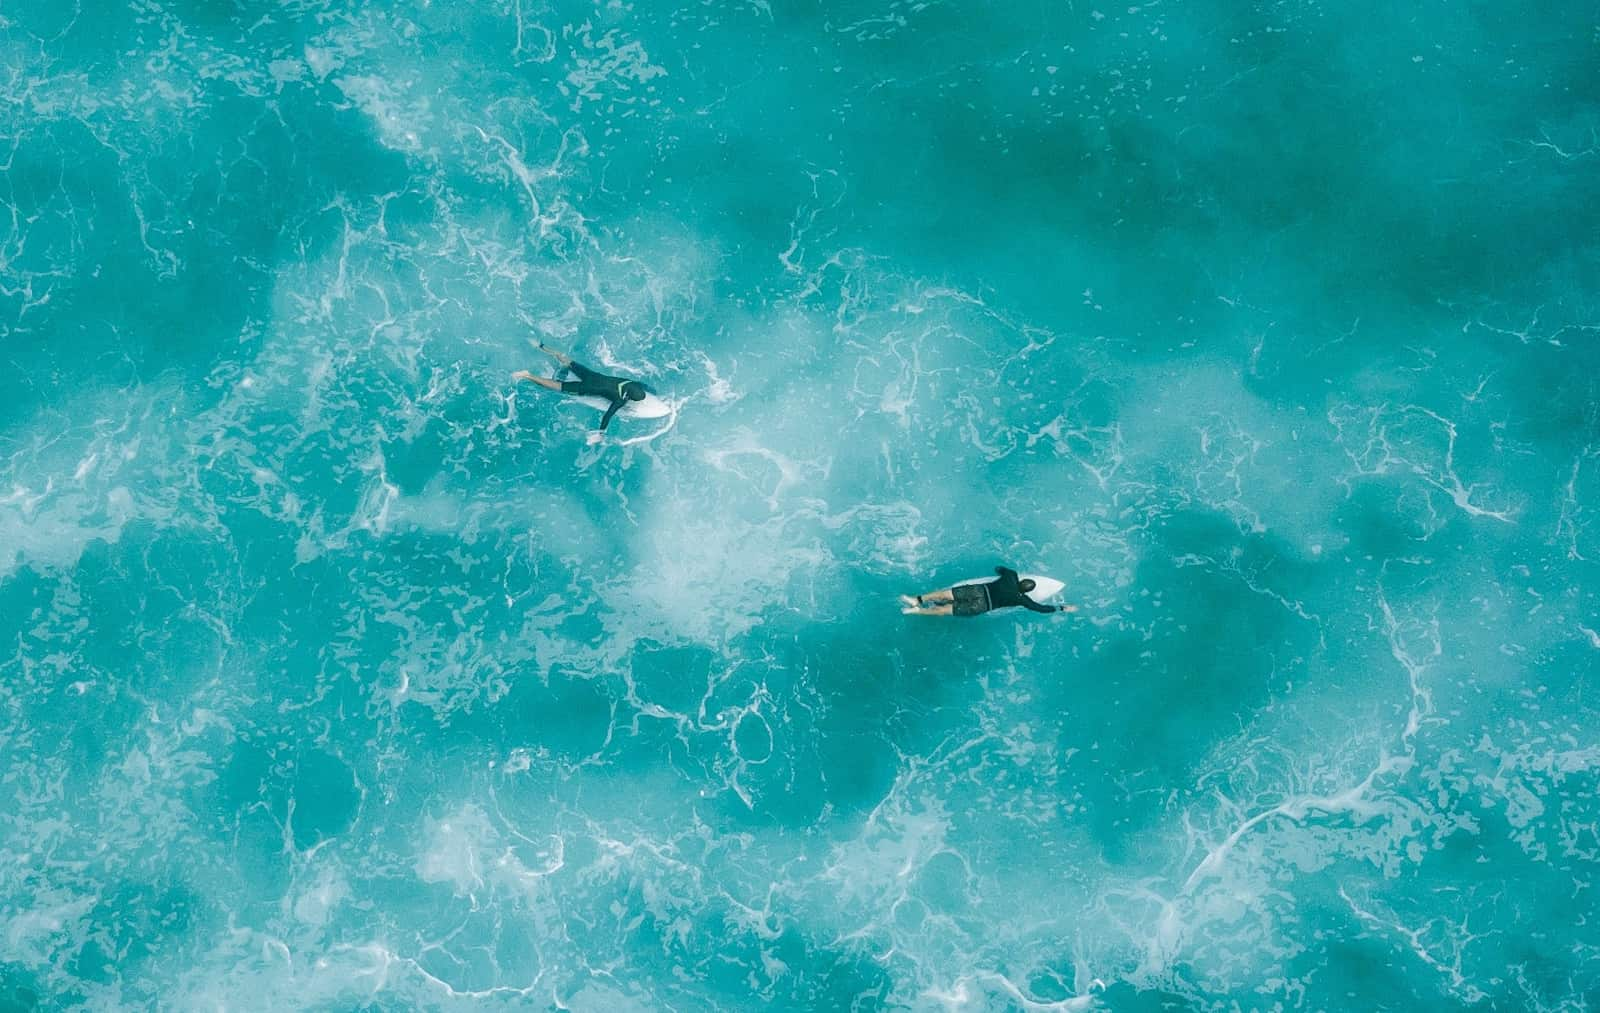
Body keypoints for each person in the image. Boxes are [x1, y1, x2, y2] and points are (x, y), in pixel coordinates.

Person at [512, 343, 651, 443]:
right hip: (585, 387)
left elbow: (643, 385)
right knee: (554, 386)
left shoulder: (629, 381)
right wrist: (600, 433)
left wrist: (652, 391)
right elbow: (608, 415)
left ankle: (540, 346)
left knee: (566, 360)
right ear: (630, 397)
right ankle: (527, 375)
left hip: (591, 375)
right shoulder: (620, 400)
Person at [899, 566, 1077, 617]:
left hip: (978, 590)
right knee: (944, 610)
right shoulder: (1022, 599)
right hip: (984, 605)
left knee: (944, 595)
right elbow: (1040, 609)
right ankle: (917, 611)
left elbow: (999, 569)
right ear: (1027, 592)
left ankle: (917, 599)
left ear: (1021, 580)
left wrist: (1002, 574)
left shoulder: (1011, 576)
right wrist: (1062, 608)